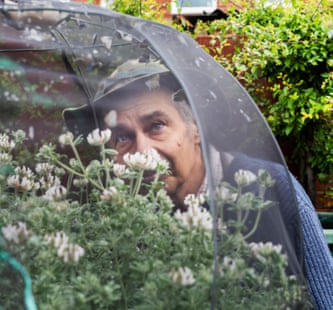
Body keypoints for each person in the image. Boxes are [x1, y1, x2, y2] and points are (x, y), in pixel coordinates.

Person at [64, 58, 333, 309]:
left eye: (157, 125)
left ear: (194, 129)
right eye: (122, 138)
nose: (142, 153)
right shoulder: (121, 222)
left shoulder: (272, 189)